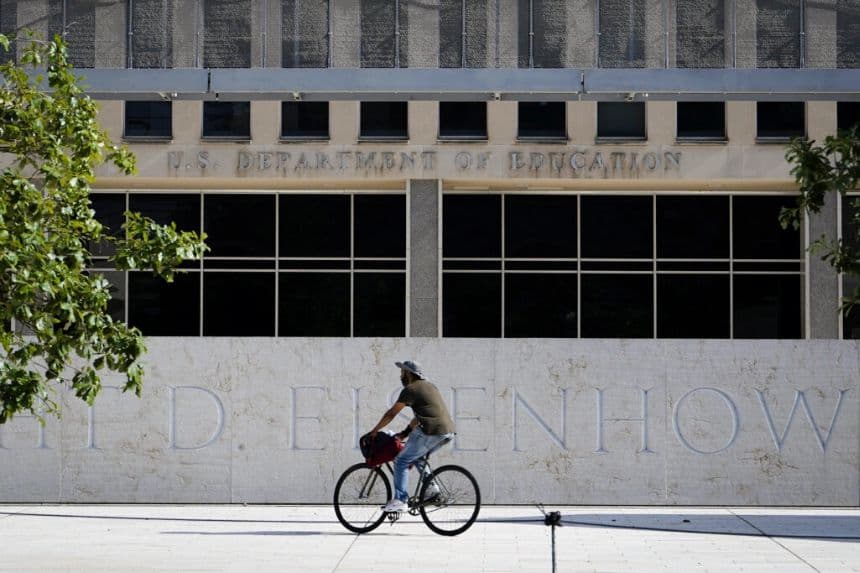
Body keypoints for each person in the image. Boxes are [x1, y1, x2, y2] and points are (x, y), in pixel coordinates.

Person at [368, 360, 455, 513]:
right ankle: (432, 490)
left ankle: (401, 500)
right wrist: (405, 433)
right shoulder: (429, 386)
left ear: (408, 373)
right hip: (447, 431)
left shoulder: (411, 389)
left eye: (402, 372)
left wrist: (375, 430)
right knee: (417, 456)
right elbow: (423, 414)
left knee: (401, 460)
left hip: (432, 430)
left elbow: (391, 413)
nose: (400, 375)